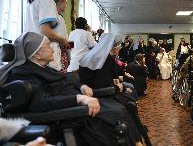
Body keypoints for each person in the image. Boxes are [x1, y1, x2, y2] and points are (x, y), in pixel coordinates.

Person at [0, 32, 142, 146]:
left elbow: (65, 80)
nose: (52, 49)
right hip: (68, 113)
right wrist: (79, 98)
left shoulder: (43, 68)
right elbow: (41, 103)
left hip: (76, 103)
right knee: (116, 113)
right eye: (48, 45)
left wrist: (81, 86)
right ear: (37, 54)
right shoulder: (23, 73)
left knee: (120, 108)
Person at [25, 0, 69, 71]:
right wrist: (62, 40)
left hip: (34, 53)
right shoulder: (46, 1)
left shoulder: (33, 1)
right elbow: (45, 31)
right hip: (45, 54)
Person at [50, 0, 70, 73]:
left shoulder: (50, 16)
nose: (66, 5)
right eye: (66, 2)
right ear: (60, 3)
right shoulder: (59, 18)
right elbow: (65, 40)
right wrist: (70, 54)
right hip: (58, 52)